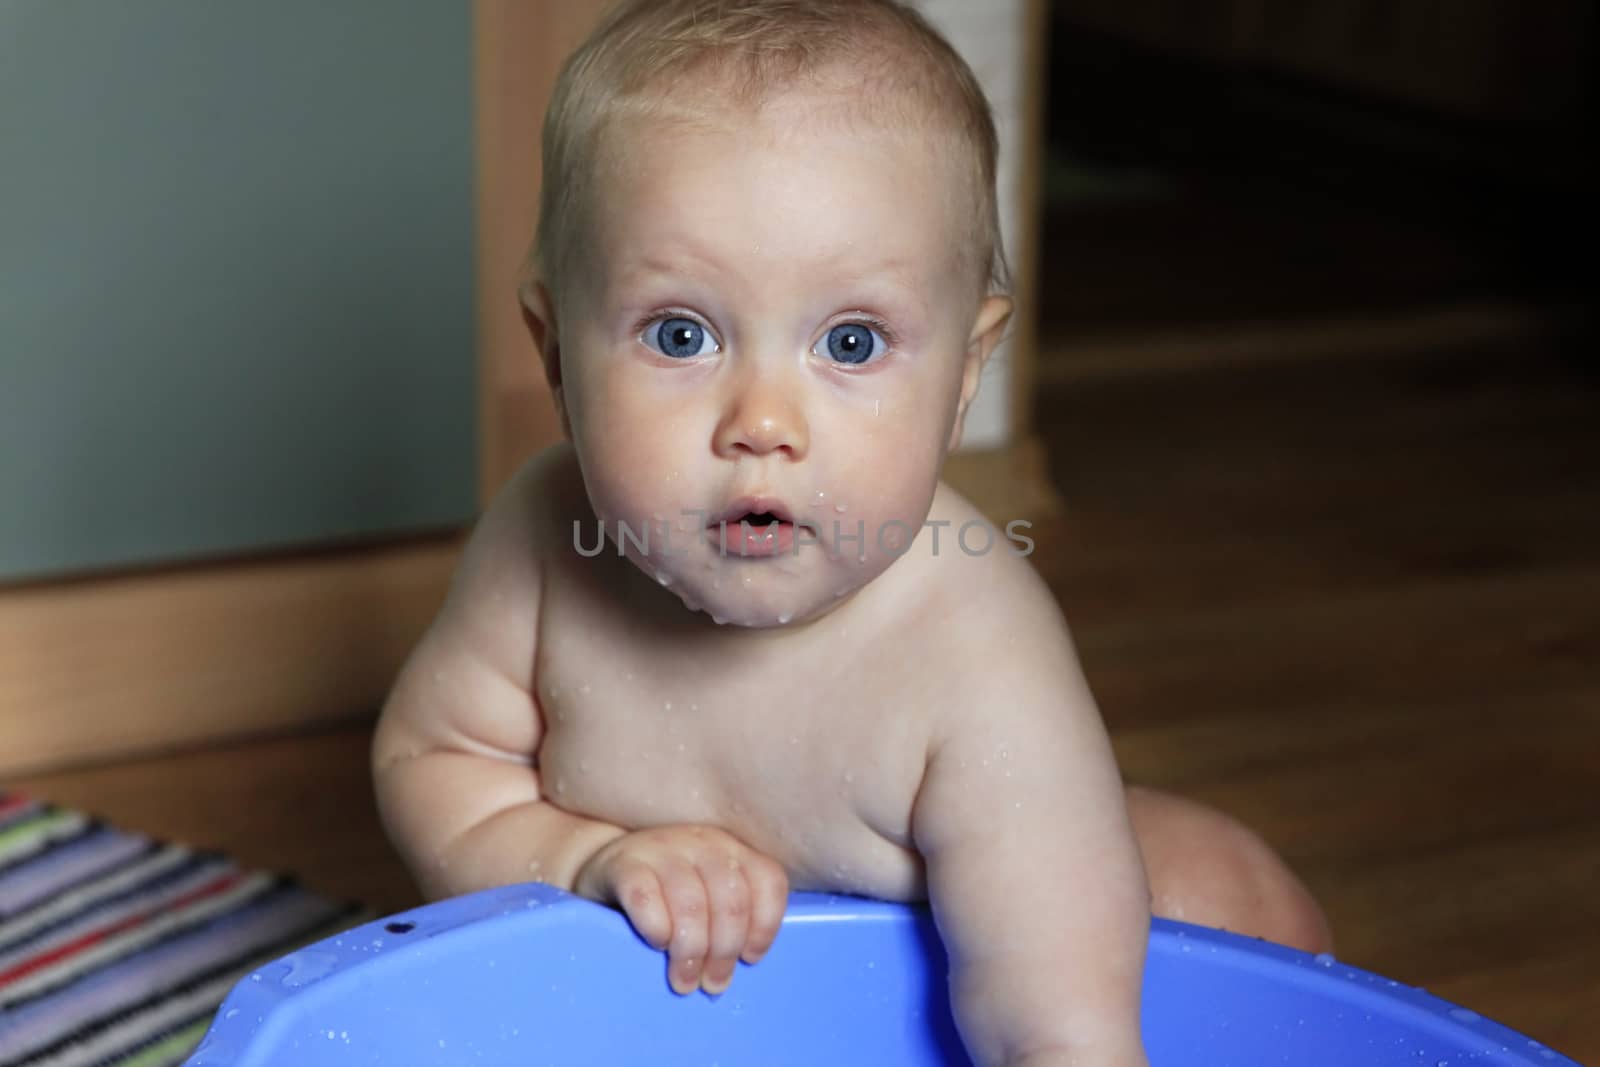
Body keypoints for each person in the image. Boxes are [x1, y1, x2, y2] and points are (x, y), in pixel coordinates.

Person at [373, 2, 1332, 1063]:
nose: (763, 424)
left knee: (1213, 904)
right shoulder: (543, 544)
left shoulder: (966, 637)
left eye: (852, 339)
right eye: (681, 334)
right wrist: (585, 855)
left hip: (1054, 953)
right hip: (724, 1008)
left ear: (966, 371)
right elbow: (434, 758)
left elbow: (1053, 1019)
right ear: (555, 350)